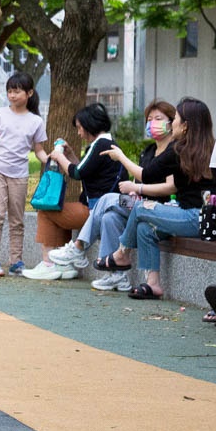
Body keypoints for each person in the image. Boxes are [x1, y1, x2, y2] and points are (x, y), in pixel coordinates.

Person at [97, 97, 216, 299]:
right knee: (144, 228)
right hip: (202, 218)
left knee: (141, 208)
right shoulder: (209, 147)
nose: (172, 123)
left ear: (185, 126)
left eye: (176, 118)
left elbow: (146, 175)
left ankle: (121, 253)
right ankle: (153, 284)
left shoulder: (178, 150)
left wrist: (121, 157)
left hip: (194, 217)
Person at [59, 101, 177, 292]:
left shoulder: (174, 151)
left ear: (172, 122)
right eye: (149, 119)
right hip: (138, 202)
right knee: (109, 217)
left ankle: (79, 247)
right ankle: (116, 276)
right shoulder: (148, 152)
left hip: (159, 207)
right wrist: (134, 189)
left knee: (107, 199)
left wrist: (138, 189)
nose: (152, 123)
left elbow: (171, 189)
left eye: (158, 119)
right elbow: (140, 182)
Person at [22, 103, 125, 280]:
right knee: (58, 211)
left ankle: (49, 264)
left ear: (90, 125)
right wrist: (69, 156)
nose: (78, 133)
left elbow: (77, 173)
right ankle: (63, 266)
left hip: (95, 210)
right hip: (102, 207)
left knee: (46, 210)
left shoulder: (100, 145)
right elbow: (86, 170)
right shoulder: (106, 143)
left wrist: (60, 157)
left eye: (79, 128)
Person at [0, 73, 49, 277]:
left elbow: (39, 150)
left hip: (19, 174)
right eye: (10, 91)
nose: (12, 95)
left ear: (29, 93)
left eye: (17, 91)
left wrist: (53, 159)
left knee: (17, 219)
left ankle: (16, 261)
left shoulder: (35, 121)